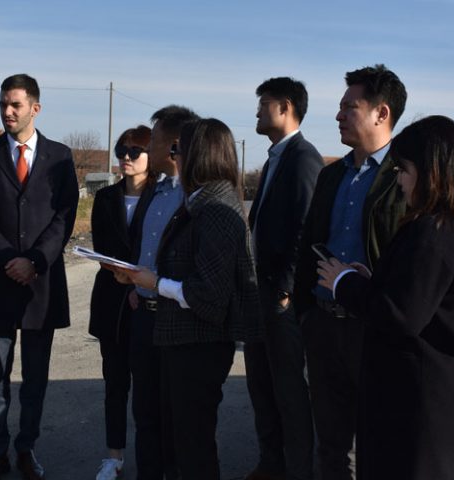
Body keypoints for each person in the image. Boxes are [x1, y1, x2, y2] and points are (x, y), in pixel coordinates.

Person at [316, 115, 454, 480]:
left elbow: (399, 315)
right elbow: (423, 297)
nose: (398, 181)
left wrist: (343, 283)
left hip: (426, 408)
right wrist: (373, 283)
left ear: (432, 173)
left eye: (403, 170)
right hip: (449, 399)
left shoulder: (433, 232)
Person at [114, 118, 262, 480]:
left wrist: (156, 282)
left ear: (200, 154)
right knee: (181, 442)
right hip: (183, 341)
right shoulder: (199, 201)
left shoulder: (216, 209)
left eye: (178, 149)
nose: (173, 156)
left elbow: (209, 295)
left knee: (194, 449)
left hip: (200, 346)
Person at [292, 64, 408, 480]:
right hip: (324, 326)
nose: (339, 115)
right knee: (331, 444)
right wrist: (306, 314)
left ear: (382, 113)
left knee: (378, 441)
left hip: (371, 330)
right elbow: (309, 244)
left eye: (350, 107)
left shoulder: (405, 177)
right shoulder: (331, 175)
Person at [0, 73, 79, 480]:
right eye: (2, 104)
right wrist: (8, 259)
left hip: (39, 286)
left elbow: (64, 216)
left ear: (35, 108)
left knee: (35, 380)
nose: (7, 112)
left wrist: (34, 260)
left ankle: (26, 449)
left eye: (15, 104)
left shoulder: (60, 157)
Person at [244, 77, 322, 480]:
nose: (257, 111)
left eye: (264, 104)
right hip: (261, 291)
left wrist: (287, 290)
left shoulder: (304, 158)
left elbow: (306, 229)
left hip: (281, 296)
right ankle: (270, 464)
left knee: (289, 392)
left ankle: (296, 471)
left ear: (285, 107)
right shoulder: (274, 158)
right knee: (261, 386)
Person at [125, 105, 199, 480]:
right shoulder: (154, 191)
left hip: (177, 319)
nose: (147, 148)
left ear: (173, 145)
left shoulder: (195, 197)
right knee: (145, 412)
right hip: (143, 315)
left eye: (152, 140)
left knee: (176, 416)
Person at [88, 126, 154, 480]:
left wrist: (138, 279)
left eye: (134, 151)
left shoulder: (161, 196)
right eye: (121, 151)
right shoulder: (105, 198)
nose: (126, 158)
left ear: (150, 155)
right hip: (111, 297)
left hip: (147, 300)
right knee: (114, 384)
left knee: (147, 387)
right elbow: (102, 245)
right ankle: (113, 456)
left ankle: (150, 457)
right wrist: (118, 271)